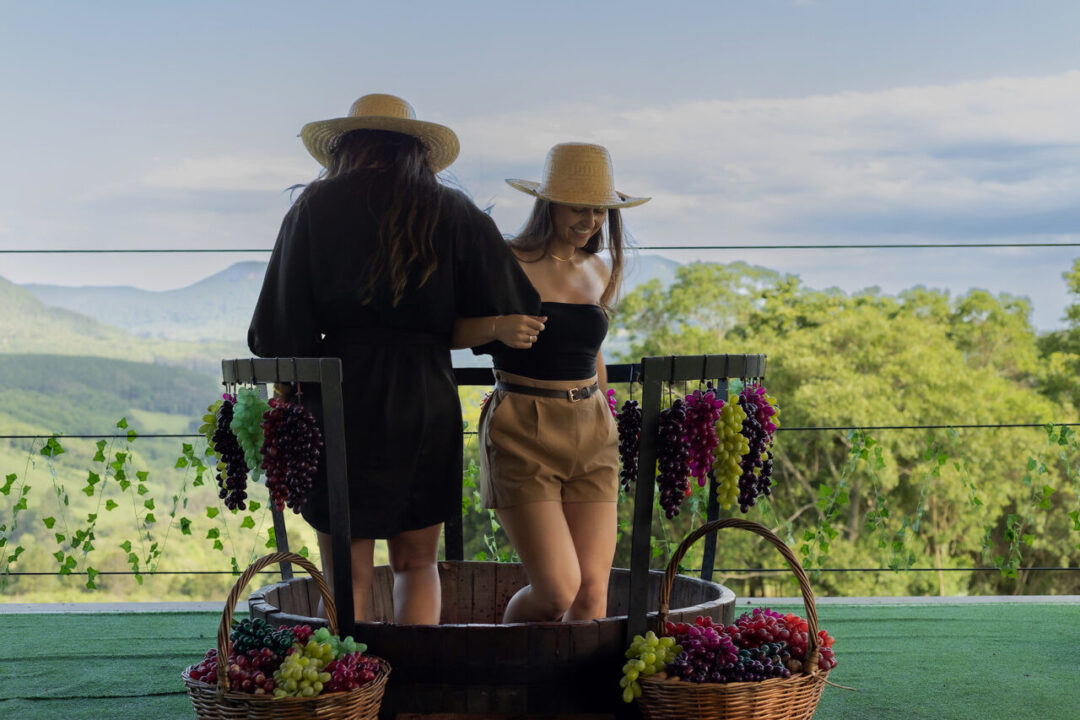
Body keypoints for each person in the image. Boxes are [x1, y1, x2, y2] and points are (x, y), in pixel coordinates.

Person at [248, 94, 542, 625]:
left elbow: (276, 330)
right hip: (425, 397)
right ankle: (414, 684)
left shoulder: (315, 206)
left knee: (347, 573)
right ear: (418, 152)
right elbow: (515, 310)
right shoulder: (453, 210)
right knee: (416, 565)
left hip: (338, 400)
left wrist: (289, 392)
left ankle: (348, 691)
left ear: (347, 148)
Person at [454, 142, 649, 622]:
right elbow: (449, 330)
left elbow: (592, 353)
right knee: (559, 590)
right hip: (523, 425)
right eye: (578, 208)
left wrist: (603, 409)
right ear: (549, 204)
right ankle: (508, 672)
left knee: (592, 596)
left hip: (592, 428)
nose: (590, 220)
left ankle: (568, 697)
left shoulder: (598, 267)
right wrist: (497, 328)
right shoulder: (506, 260)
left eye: (600, 209)